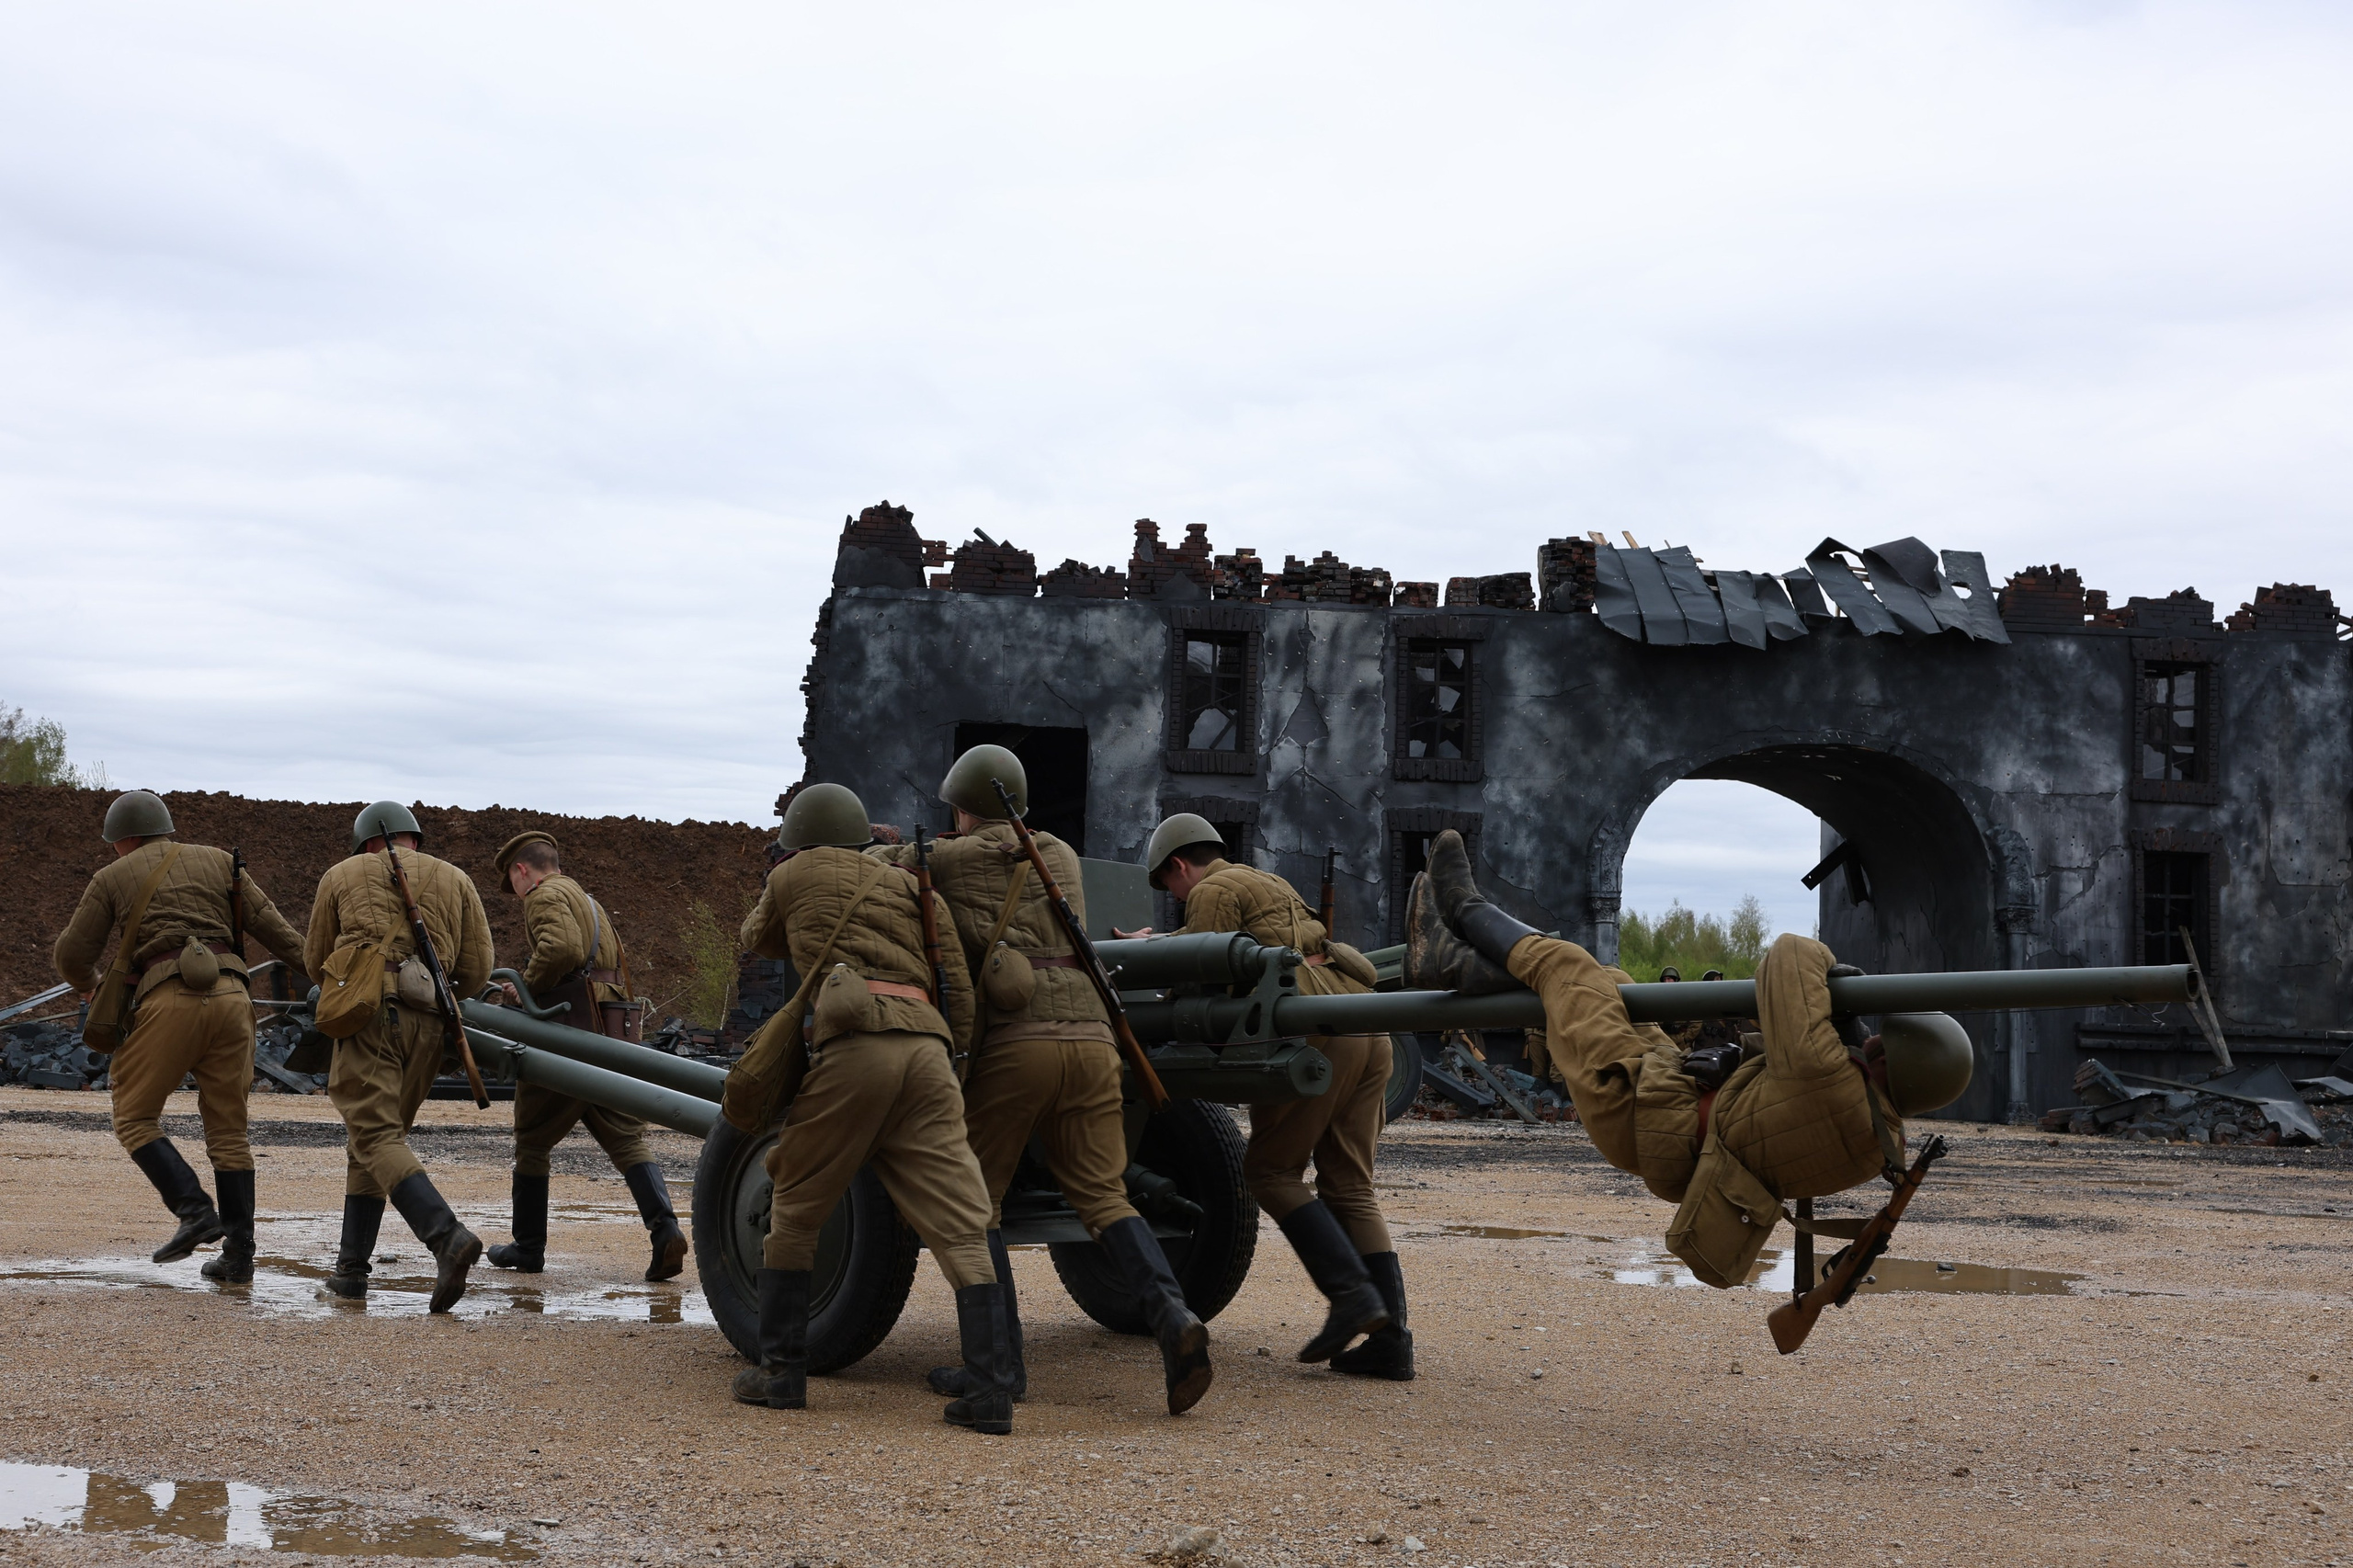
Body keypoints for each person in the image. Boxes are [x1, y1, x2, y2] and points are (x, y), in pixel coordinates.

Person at [1405, 829, 1972, 1288]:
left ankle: (1461, 912)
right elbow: (1782, 1112)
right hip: (1673, 1114)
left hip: (1643, 1108)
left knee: (1569, 968)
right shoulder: (1881, 1143)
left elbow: (1789, 955)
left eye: (1881, 1042)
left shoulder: (1827, 1073)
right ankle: (1450, 962)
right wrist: (1743, 1058)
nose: (1873, 1038)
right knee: (1614, 984)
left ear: (1894, 1062)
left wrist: (1839, 978)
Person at [870, 744, 1211, 1415]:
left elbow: (890, 871)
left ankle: (995, 1371)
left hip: (1018, 1043)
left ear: (964, 807)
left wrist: (881, 843)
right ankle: (1173, 1319)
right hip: (1091, 1039)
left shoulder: (953, 856)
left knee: (977, 1206)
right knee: (1104, 1196)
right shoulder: (1057, 853)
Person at [729, 782, 1014, 1433]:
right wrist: (954, 1061)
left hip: (855, 1047)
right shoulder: (917, 885)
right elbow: (960, 993)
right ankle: (991, 1390)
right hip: (928, 1051)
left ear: (798, 836)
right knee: (961, 1219)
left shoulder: (794, 871)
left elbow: (757, 937)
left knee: (796, 1203)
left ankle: (781, 1376)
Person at [1128, 812, 1408, 1381]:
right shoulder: (1266, 882)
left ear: (1179, 866)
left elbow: (1197, 978)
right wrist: (1159, 941)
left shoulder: (1211, 889)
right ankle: (1390, 1342)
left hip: (1314, 1029)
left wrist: (1148, 958)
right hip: (1362, 1021)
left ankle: (1352, 1297)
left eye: (1169, 886)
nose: (1176, 895)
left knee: (1271, 1171)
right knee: (1349, 1185)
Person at [51, 790, 310, 1282]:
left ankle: (194, 1212)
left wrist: (91, 988)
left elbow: (71, 956)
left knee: (134, 1116)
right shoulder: (221, 864)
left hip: (167, 1000)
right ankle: (238, 1258)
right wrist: (335, 981)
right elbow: (284, 937)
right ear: (165, 828)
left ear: (122, 839)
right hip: (236, 1001)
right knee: (230, 1134)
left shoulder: (111, 877)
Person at [303, 801, 495, 1312]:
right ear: (415, 838)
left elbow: (314, 957)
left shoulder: (341, 874)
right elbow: (478, 969)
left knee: (373, 1134)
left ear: (364, 843)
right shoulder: (455, 879)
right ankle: (350, 1273)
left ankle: (445, 1236)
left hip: (370, 1016)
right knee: (377, 1141)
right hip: (431, 1024)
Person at [483, 831, 687, 1282]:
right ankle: (666, 1230)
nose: (515, 893)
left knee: (532, 1140)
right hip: (606, 1034)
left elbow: (561, 951)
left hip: (567, 1035)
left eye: (512, 882)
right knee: (626, 1138)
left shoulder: (543, 895)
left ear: (522, 870)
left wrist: (524, 990)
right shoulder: (586, 900)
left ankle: (528, 1248)